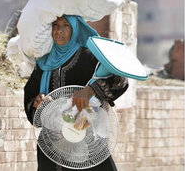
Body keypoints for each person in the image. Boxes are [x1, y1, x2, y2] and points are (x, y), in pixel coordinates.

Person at [24, 15, 129, 171]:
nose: (59, 31)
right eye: (55, 25)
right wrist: (37, 102)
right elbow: (30, 94)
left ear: (75, 29)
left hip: (87, 142)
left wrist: (90, 90)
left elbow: (120, 80)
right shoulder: (44, 63)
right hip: (51, 146)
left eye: (66, 25)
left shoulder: (90, 57)